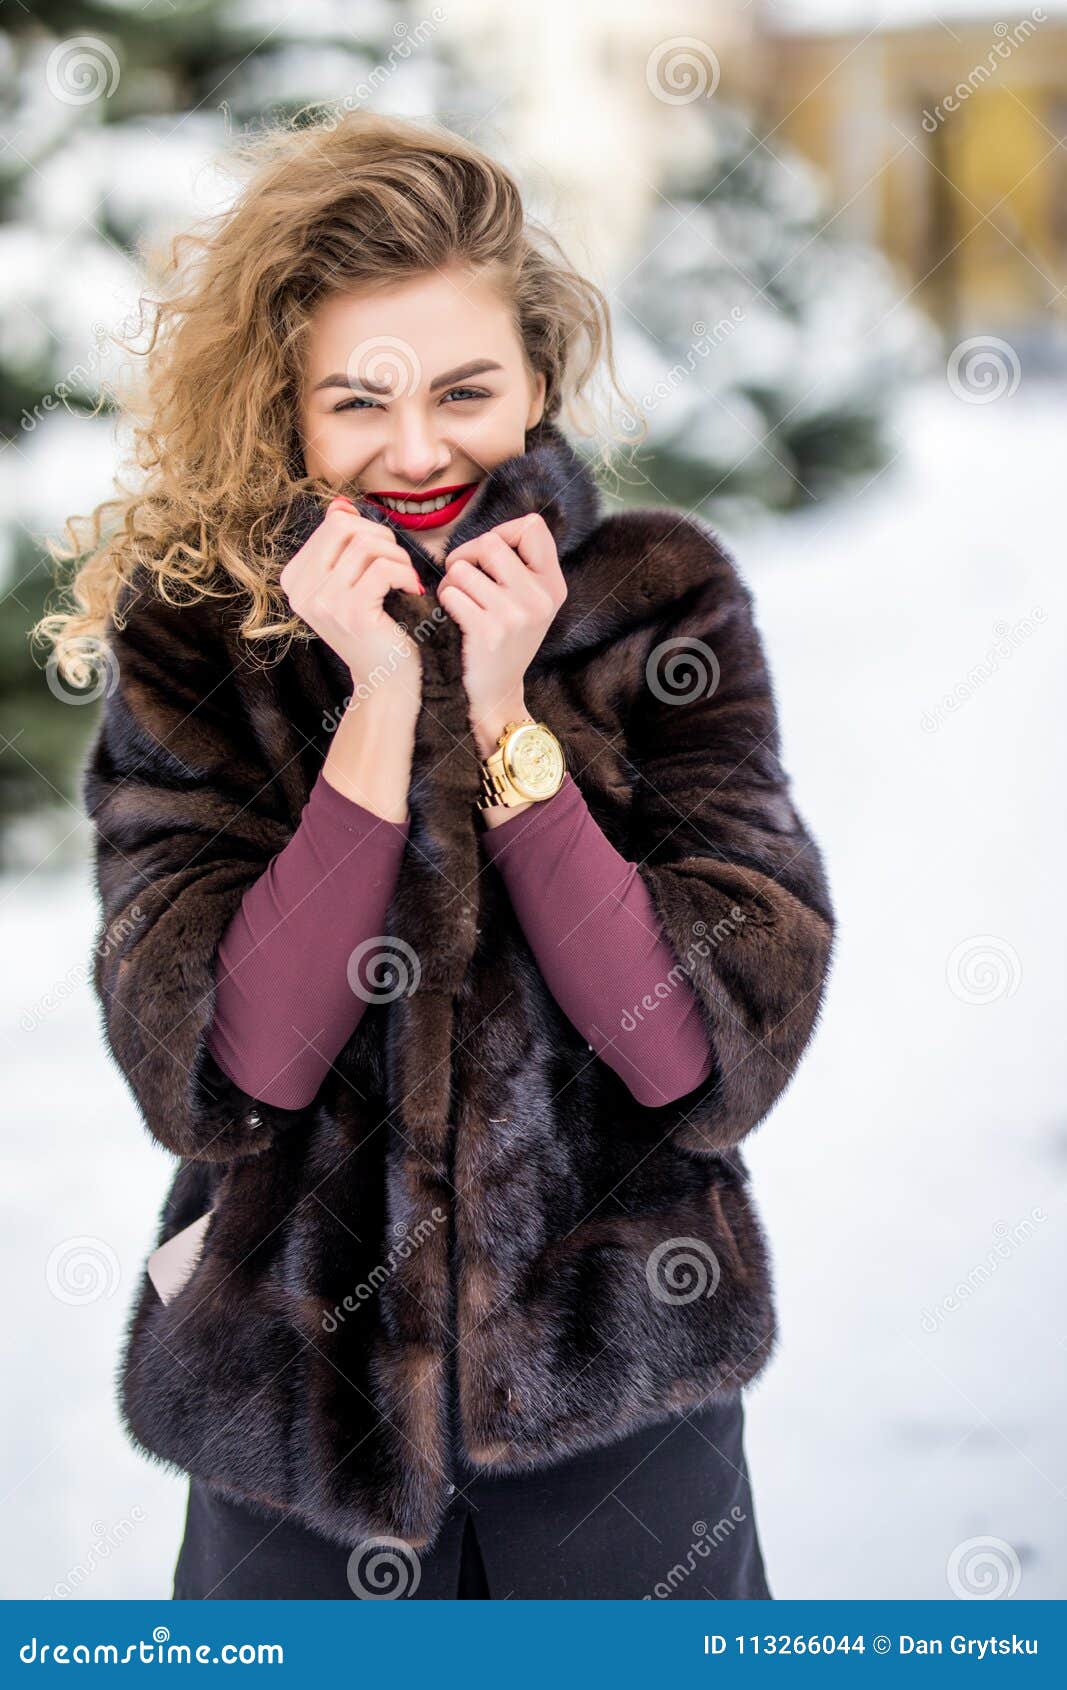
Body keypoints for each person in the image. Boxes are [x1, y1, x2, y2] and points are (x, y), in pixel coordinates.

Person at [38, 111, 835, 1600]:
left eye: (465, 389)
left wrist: (506, 723)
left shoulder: (661, 609)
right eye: (358, 401)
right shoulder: (198, 638)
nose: (417, 452)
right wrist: (380, 714)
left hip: (621, 1433)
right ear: (288, 407)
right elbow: (225, 1068)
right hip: (294, 1447)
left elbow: (700, 1056)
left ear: (536, 380)